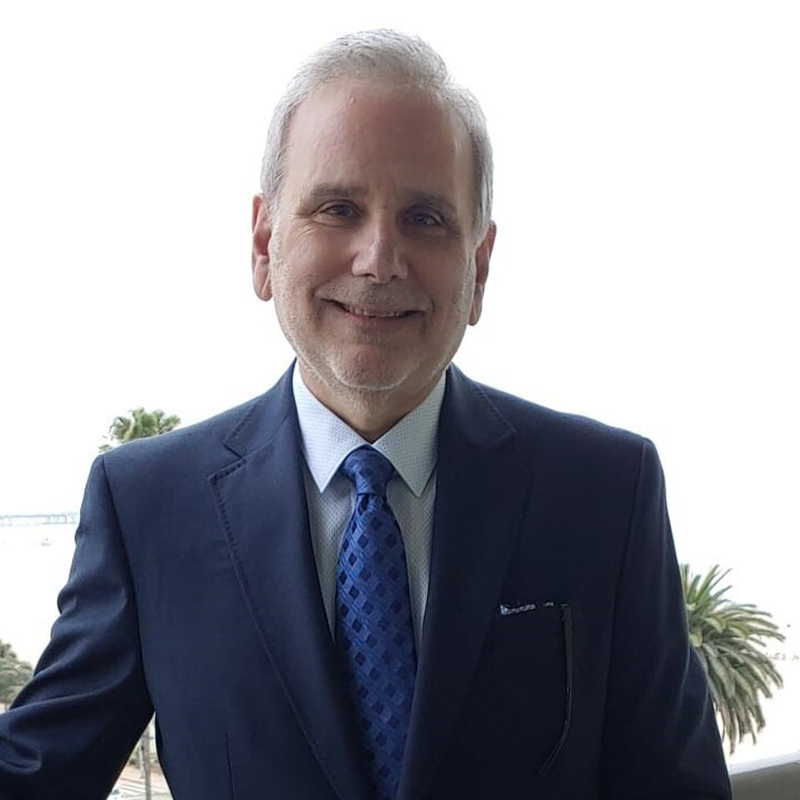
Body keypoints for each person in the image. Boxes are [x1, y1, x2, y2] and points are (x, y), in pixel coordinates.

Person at [0, 29, 730, 800]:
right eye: (339, 208)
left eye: (425, 219)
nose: (380, 258)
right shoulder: (146, 504)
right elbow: (41, 773)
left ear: (478, 267)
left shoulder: (606, 491)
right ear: (263, 243)